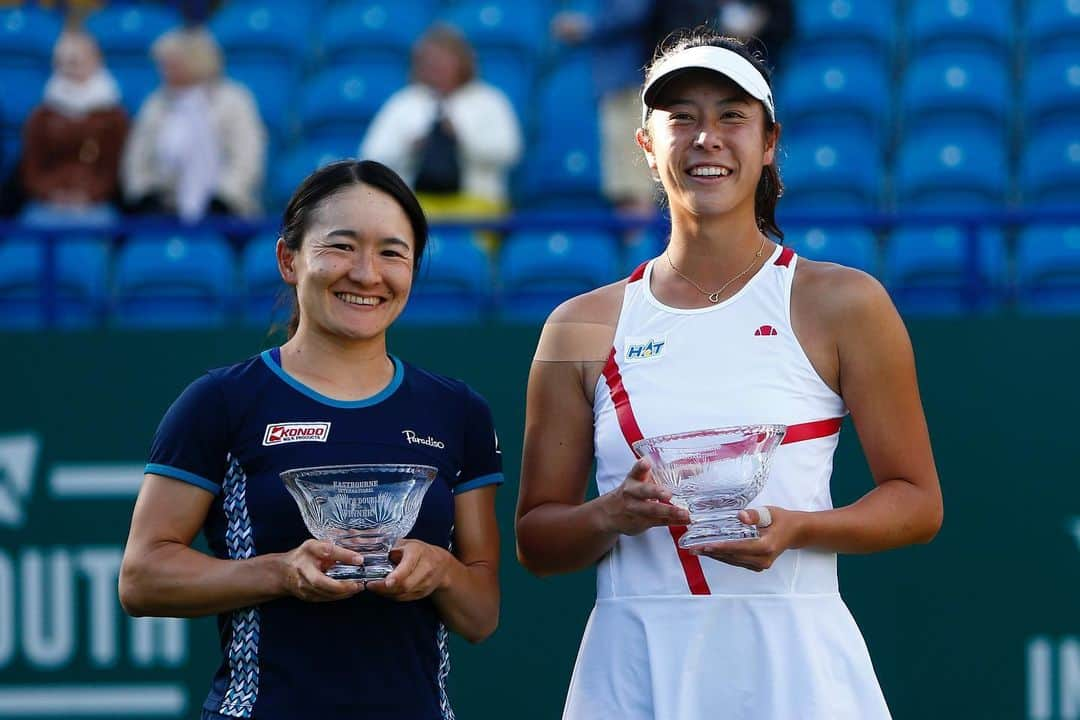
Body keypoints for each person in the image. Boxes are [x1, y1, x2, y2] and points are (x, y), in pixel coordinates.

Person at [515, 29, 942, 720]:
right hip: (633, 669)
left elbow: (918, 502)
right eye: (681, 118)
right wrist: (609, 515)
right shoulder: (580, 324)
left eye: (731, 117)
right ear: (647, 147)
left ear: (769, 142)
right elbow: (537, 540)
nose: (705, 137)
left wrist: (797, 528)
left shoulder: (844, 302)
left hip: (796, 667)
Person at [119, 160, 503, 720]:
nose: (368, 274)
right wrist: (280, 573)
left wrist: (439, 570)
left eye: (392, 253)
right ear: (288, 259)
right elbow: (142, 577)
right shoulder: (221, 401)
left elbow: (480, 615)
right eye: (341, 247)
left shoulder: (457, 411)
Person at [360, 23, 522, 220]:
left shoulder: (489, 100)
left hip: (477, 201)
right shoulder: (404, 102)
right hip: (414, 200)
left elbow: (509, 152)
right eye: (429, 61)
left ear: (462, 61)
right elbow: (371, 157)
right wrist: (410, 147)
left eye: (444, 59)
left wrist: (462, 140)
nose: (436, 66)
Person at [121, 27, 266, 223]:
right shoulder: (155, 104)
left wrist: (222, 198)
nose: (165, 70)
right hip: (163, 208)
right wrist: (145, 194)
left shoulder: (234, 100)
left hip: (226, 209)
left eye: (173, 64)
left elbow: (247, 156)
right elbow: (137, 159)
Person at [550, 1, 657, 216]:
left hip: (630, 83)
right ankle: (631, 243)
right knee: (622, 181)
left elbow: (633, 13)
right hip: (616, 85)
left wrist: (585, 26)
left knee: (634, 180)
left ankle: (639, 244)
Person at [19, 30, 128, 227]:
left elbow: (114, 169)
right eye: (64, 62)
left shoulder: (114, 116)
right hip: (47, 204)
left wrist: (88, 194)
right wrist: (52, 194)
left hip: (96, 204)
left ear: (95, 60)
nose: (70, 67)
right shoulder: (42, 115)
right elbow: (32, 167)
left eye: (76, 61)